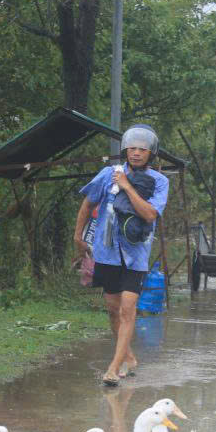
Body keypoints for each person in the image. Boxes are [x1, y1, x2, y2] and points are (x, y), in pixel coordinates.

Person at [73, 124, 169, 387]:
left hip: (136, 256)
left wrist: (127, 186)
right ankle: (128, 357)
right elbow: (88, 203)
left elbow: (150, 214)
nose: (136, 153)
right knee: (113, 310)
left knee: (128, 310)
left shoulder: (160, 182)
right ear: (126, 150)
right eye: (132, 148)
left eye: (142, 149)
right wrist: (78, 236)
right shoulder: (107, 174)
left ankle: (113, 368)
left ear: (151, 153)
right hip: (107, 254)